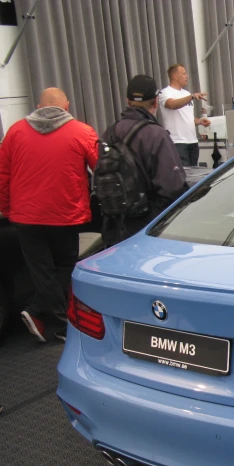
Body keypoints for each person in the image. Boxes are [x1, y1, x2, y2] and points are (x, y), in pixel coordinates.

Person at [0, 87, 98, 343]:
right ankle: (56, 323)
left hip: (25, 216)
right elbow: (100, 165)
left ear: (38, 106)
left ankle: (41, 314)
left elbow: (3, 174)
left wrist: (6, 207)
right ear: (65, 107)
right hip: (65, 213)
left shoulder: (15, 131)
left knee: (41, 269)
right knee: (65, 265)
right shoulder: (82, 131)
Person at [100, 75, 188, 247]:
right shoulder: (156, 135)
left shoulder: (109, 133)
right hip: (146, 228)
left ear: (127, 100)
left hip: (114, 226)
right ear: (156, 102)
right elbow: (173, 186)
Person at [159, 64, 211, 167]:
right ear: (175, 76)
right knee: (183, 174)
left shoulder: (186, 93)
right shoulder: (165, 93)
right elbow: (172, 105)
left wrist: (200, 121)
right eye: (184, 73)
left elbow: (188, 118)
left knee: (194, 174)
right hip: (177, 142)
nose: (187, 76)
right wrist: (191, 97)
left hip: (192, 141)